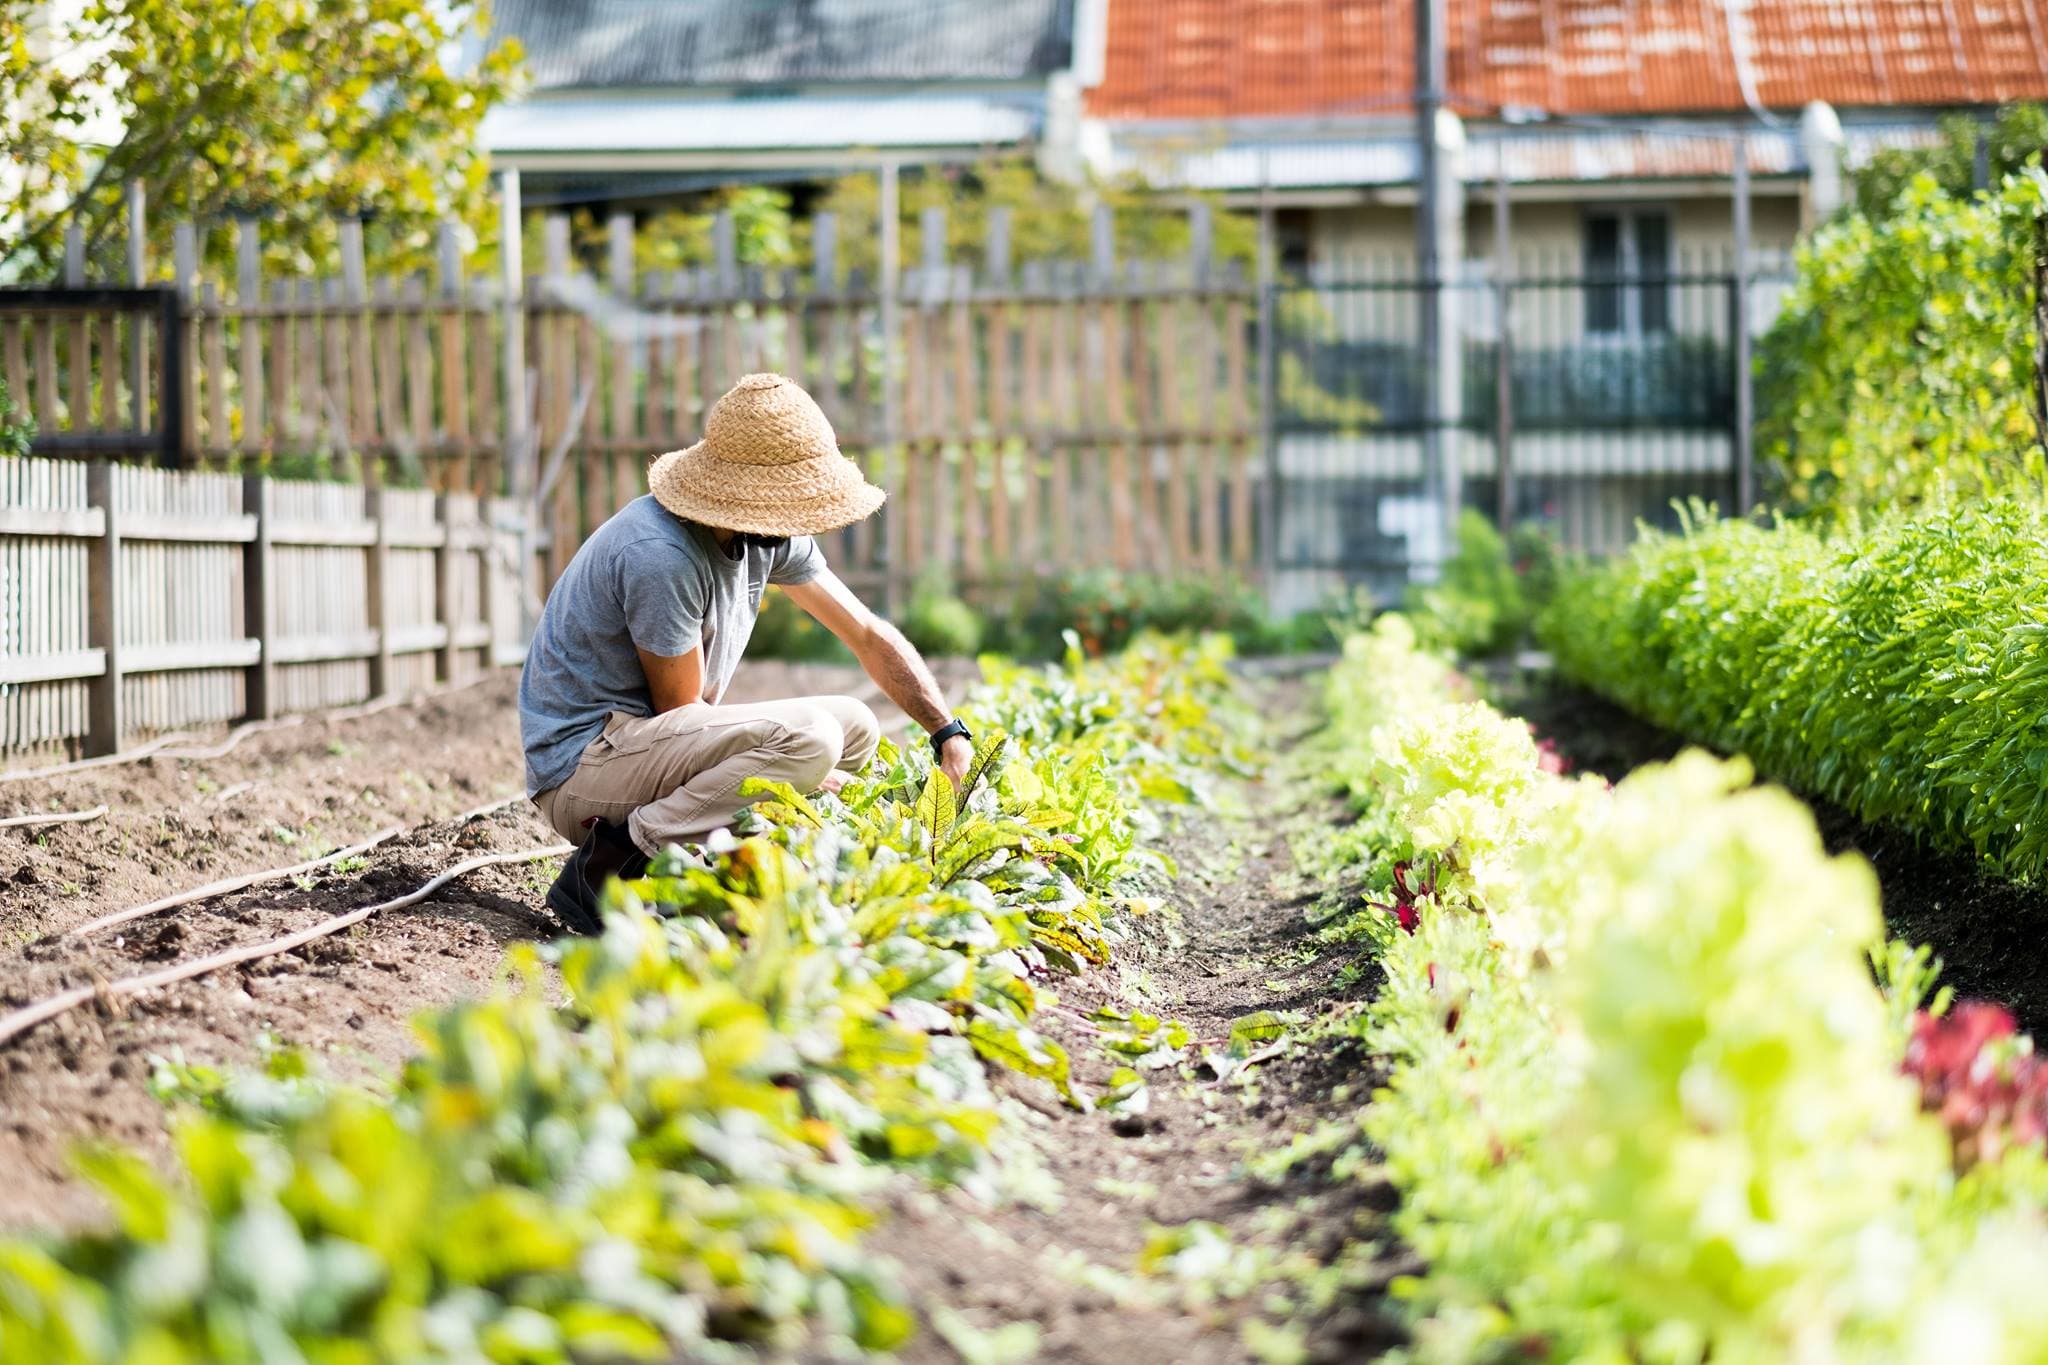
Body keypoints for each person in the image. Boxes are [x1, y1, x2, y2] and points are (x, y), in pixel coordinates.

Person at [519, 372, 974, 933]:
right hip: (584, 770)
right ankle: (614, 867)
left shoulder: (763, 535)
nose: (796, 521)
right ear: (734, 494)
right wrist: (797, 772)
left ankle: (731, 865)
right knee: (811, 738)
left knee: (854, 724)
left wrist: (946, 731)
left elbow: (866, 634)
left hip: (646, 750)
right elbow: (680, 712)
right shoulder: (660, 555)